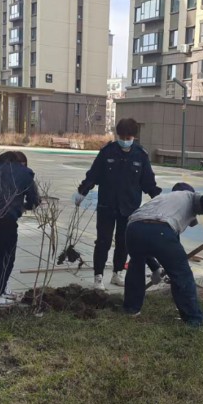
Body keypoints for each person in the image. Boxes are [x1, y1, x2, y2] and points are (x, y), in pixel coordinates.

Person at [74, 118, 162, 290]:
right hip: (107, 205)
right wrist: (82, 191)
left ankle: (117, 273)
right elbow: (93, 175)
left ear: (134, 137)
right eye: (122, 136)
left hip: (129, 208)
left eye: (128, 137)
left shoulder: (141, 155)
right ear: (117, 135)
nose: (125, 139)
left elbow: (148, 183)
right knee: (103, 241)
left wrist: (160, 199)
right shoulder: (107, 152)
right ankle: (98, 277)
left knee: (124, 242)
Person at [123, 182, 203, 327]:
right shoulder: (190, 196)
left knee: (136, 265)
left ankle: (131, 309)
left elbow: (150, 238)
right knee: (181, 274)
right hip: (160, 228)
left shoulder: (162, 199)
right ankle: (193, 321)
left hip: (132, 229)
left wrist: (155, 268)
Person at [0, 150, 40, 304]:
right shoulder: (25, 172)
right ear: (21, 163)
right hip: (5, 220)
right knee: (6, 258)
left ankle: (1, 289)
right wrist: (24, 206)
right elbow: (34, 200)